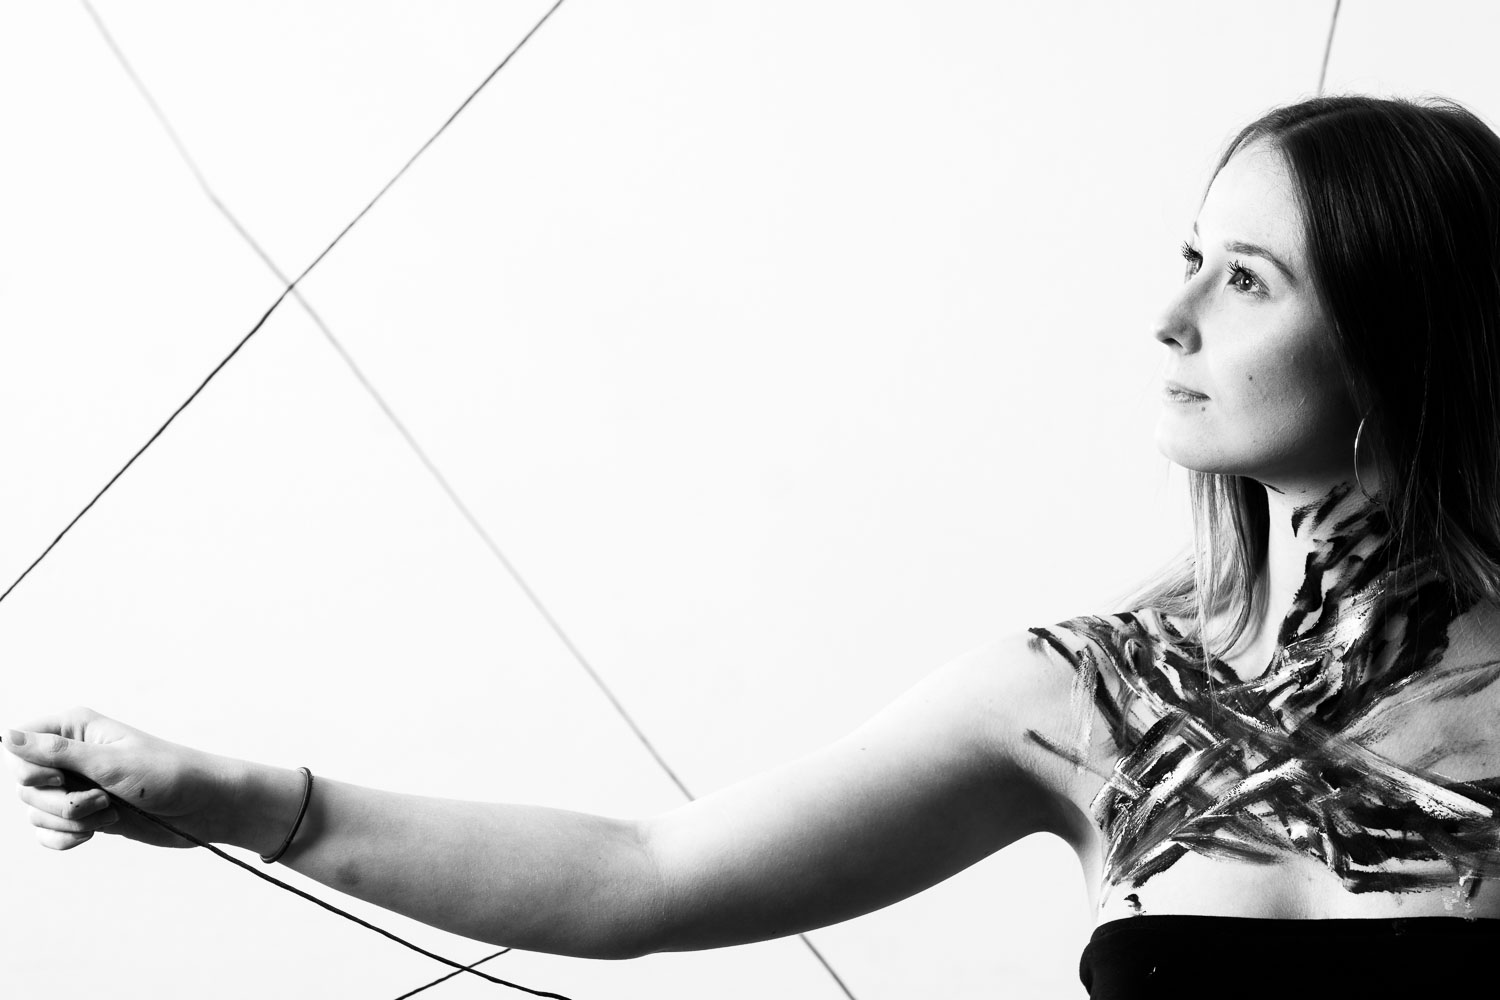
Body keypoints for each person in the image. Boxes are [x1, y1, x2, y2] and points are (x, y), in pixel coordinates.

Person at [10, 93, 1500, 998]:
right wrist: (246, 801)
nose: (1169, 320)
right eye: (1188, 261)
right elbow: (645, 878)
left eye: (1247, 281)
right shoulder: (1090, 696)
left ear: (1403, 339)